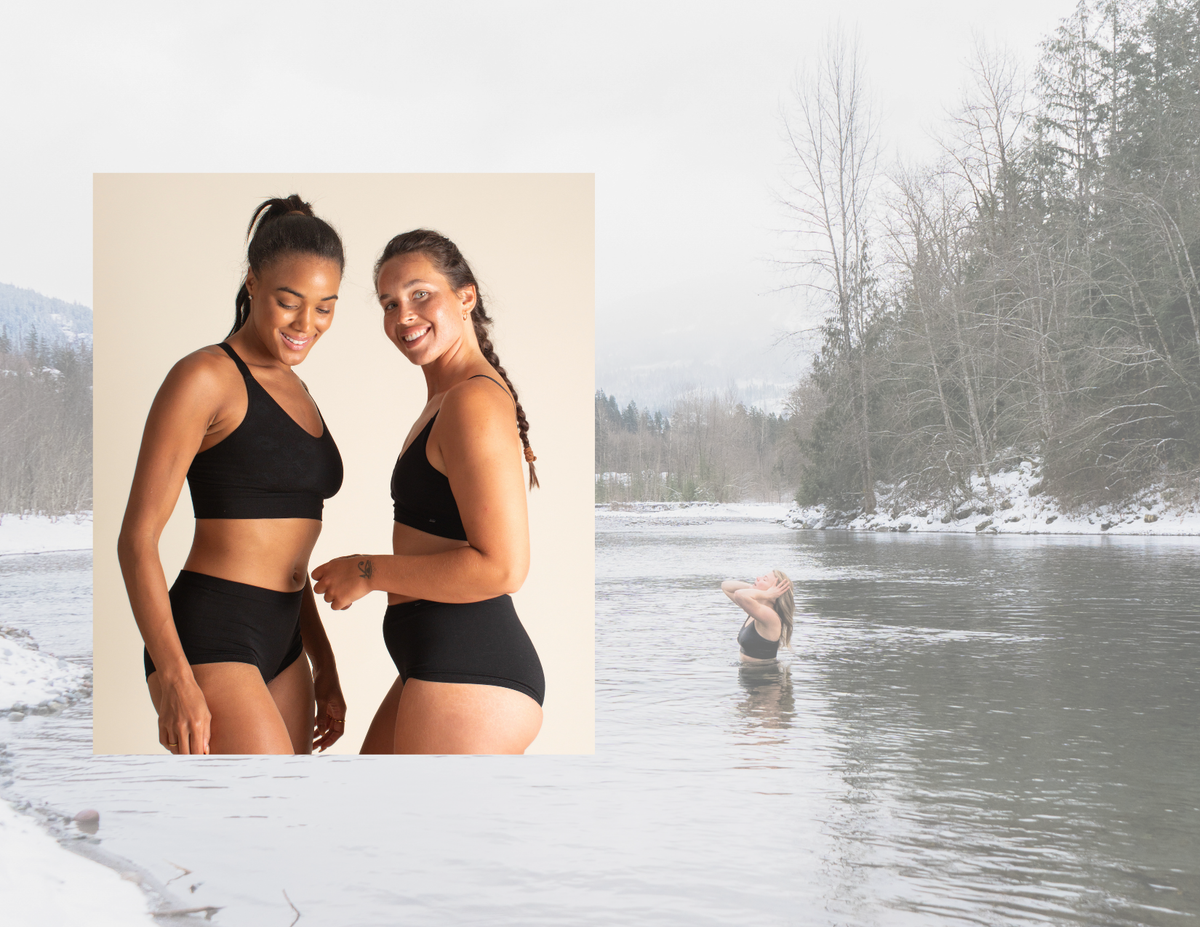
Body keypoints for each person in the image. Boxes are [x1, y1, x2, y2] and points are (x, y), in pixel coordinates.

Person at [117, 195, 347, 755]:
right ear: (252, 282)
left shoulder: (298, 387)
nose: (306, 324)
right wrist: (174, 677)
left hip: (286, 637)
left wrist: (325, 666)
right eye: (289, 302)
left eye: (325, 307)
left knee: (287, 830)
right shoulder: (205, 377)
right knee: (255, 825)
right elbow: (137, 539)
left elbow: (291, 553)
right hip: (212, 633)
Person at [312, 229, 544, 754]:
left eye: (420, 294)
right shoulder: (447, 398)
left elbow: (503, 567)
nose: (403, 316)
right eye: (389, 304)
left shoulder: (472, 402)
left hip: (471, 671)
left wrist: (367, 571)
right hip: (439, 665)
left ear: (466, 296)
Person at [721, 571, 794, 662]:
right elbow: (725, 586)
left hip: (764, 674)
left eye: (764, 579)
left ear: (773, 591)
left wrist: (767, 594)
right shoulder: (756, 610)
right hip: (749, 673)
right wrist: (754, 588)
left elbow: (739, 595)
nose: (758, 578)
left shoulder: (771, 617)